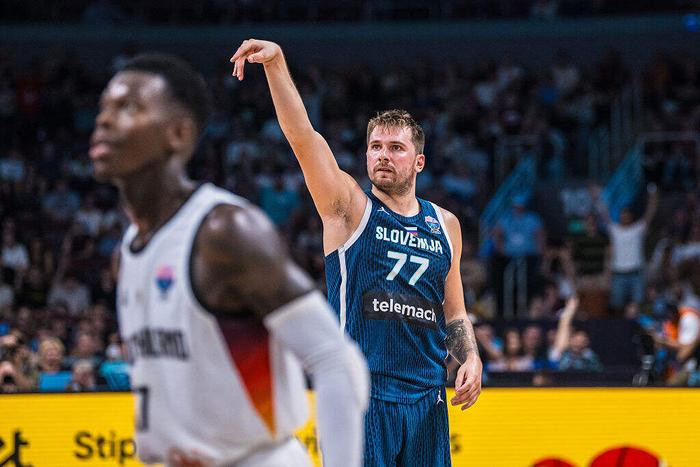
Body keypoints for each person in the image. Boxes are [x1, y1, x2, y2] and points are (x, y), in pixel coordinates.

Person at [90, 53, 368, 467]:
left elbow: (336, 361)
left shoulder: (224, 232)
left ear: (178, 133)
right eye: (104, 108)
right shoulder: (130, 248)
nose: (105, 121)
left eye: (128, 108)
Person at [231, 39, 482, 467]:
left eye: (396, 148)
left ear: (419, 162)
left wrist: (471, 356)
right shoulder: (348, 208)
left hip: (427, 398)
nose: (383, 155)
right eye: (375, 147)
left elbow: (454, 313)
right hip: (362, 392)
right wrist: (276, 65)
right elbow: (303, 139)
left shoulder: (445, 225)